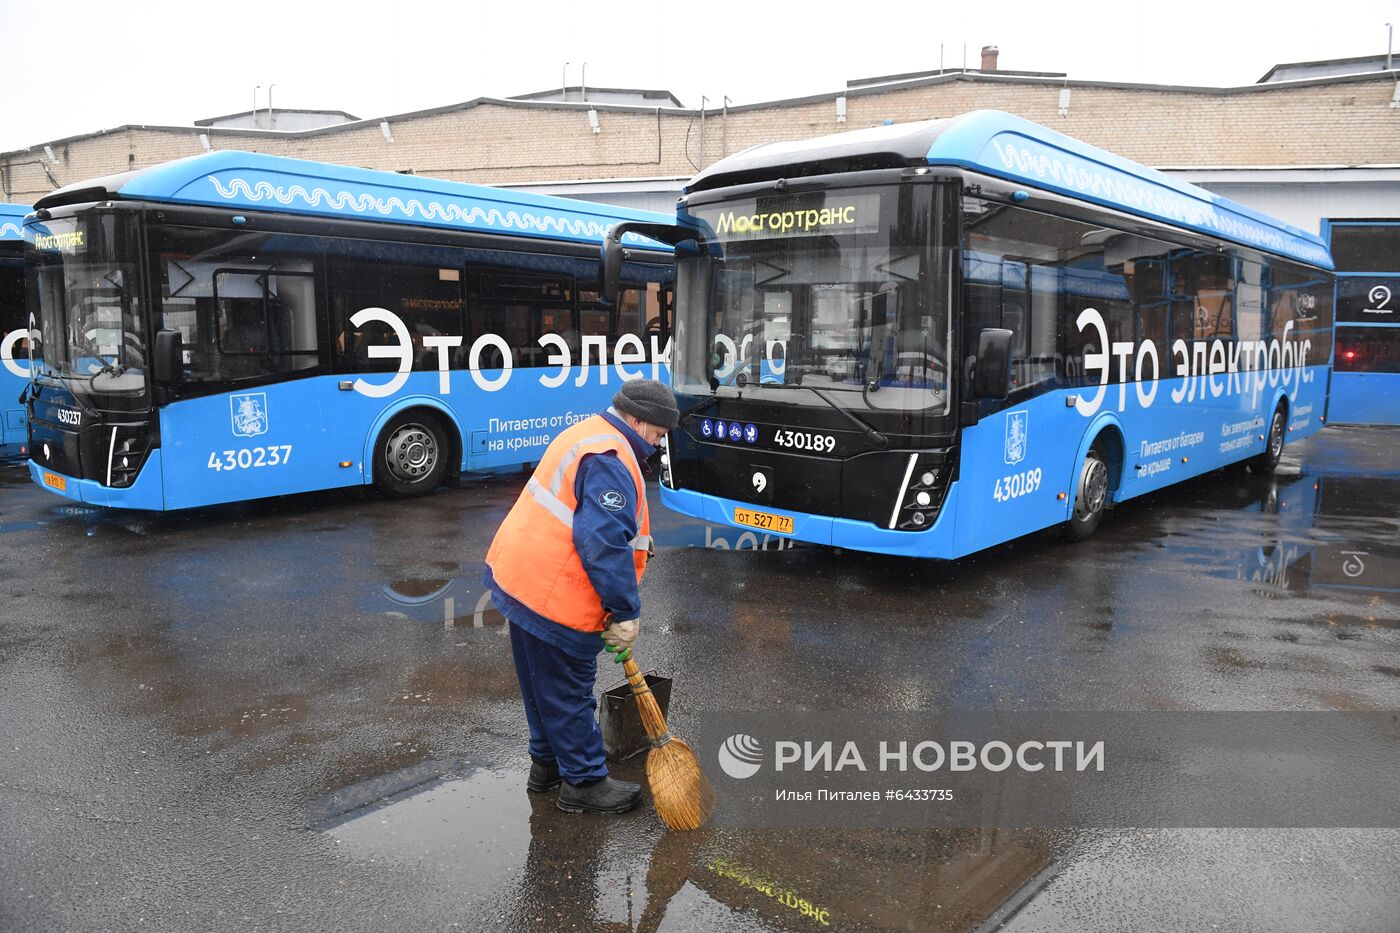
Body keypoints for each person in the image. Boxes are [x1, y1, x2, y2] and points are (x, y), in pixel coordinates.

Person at [484, 378, 679, 814]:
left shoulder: (588, 432)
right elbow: (604, 542)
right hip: (555, 593)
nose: (660, 443)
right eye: (659, 433)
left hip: (522, 579)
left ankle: (548, 767)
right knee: (567, 691)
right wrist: (625, 610)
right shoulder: (610, 458)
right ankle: (585, 783)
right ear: (637, 419)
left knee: (541, 688)